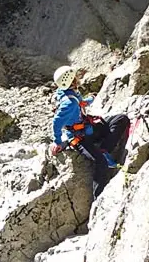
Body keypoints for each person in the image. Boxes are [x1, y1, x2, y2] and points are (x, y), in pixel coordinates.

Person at [49, 66, 130, 199]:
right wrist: (57, 141)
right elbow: (56, 122)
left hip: (88, 128)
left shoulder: (67, 92)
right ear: (72, 81)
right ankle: (98, 197)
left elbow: (78, 103)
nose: (78, 78)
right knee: (101, 163)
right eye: (75, 77)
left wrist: (88, 101)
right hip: (79, 138)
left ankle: (103, 150)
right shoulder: (69, 104)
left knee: (121, 119)